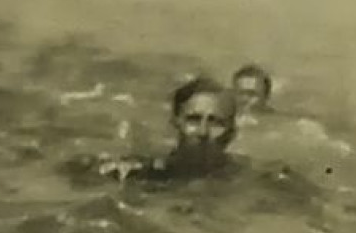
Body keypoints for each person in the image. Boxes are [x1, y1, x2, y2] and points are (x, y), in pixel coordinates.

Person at [75, 75, 241, 184]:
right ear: (175, 123)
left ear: (232, 133)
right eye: (193, 120)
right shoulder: (144, 173)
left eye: (215, 123)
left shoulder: (246, 180)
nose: (203, 132)